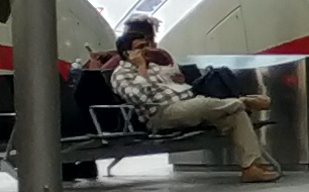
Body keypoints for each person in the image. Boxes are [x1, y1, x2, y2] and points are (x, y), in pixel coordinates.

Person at [103, 28, 280, 181]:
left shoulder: (154, 66)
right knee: (206, 104)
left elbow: (177, 86)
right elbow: (141, 97)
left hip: (188, 105)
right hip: (162, 114)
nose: (146, 50)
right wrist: (141, 68)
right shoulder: (120, 75)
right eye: (140, 48)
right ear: (127, 54)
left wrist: (177, 77)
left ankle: (250, 168)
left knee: (235, 115)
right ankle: (241, 100)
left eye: (147, 45)